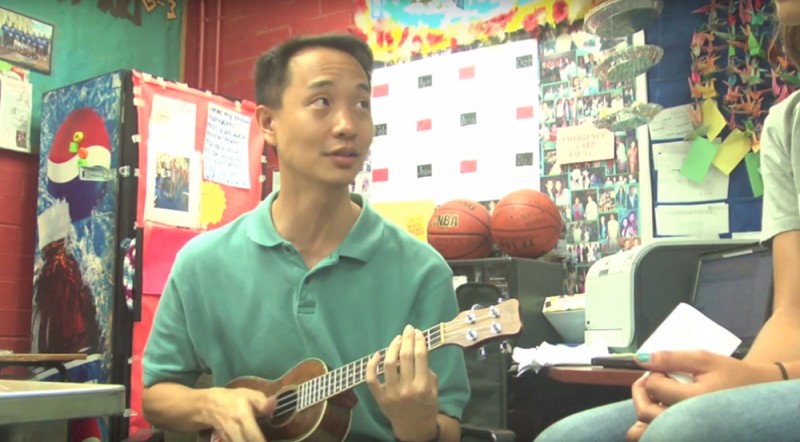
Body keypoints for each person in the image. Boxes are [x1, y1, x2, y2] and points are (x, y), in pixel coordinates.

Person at [141, 33, 470, 442]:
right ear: (269, 124)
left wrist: (417, 425)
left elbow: (449, 425)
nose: (348, 125)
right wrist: (212, 404)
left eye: (362, 104)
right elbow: (155, 395)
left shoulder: (422, 271)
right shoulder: (202, 262)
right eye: (322, 103)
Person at [534, 2, 800, 441]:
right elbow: (792, 315)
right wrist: (726, 384)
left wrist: (767, 380)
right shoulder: (786, 125)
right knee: (569, 437)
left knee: (689, 430)